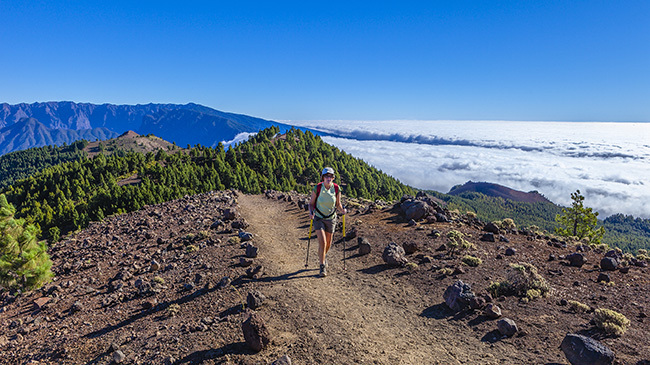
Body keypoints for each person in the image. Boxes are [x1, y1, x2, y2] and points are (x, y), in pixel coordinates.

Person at [309, 167, 347, 277]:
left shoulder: (336, 188)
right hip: (319, 218)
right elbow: (311, 203)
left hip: (331, 218)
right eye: (326, 176)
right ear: (323, 177)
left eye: (331, 176)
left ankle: (323, 257)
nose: (328, 178)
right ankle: (322, 266)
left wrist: (342, 210)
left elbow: (338, 204)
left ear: (333, 178)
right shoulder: (318, 188)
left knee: (328, 244)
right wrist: (311, 212)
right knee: (323, 242)